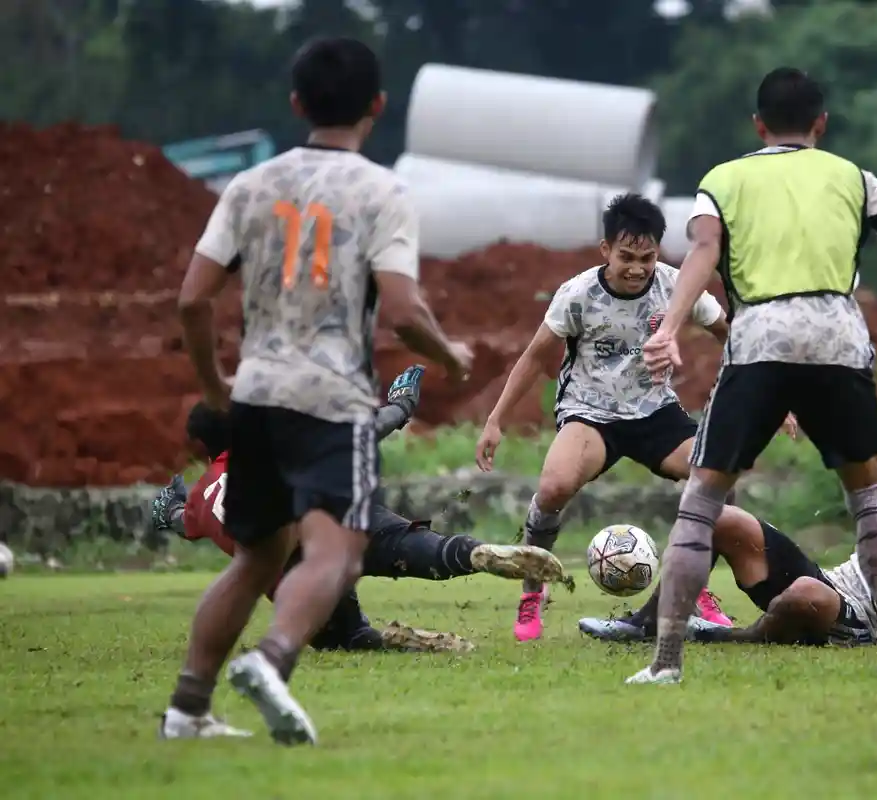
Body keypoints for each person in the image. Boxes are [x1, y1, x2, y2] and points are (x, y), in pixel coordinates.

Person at [630, 68, 877, 685]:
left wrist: (669, 327)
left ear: (758, 125)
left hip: (762, 334)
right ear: (821, 124)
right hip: (837, 337)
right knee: (871, 502)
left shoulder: (723, 179)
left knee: (702, 503)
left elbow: (705, 251)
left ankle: (665, 664)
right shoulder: (855, 178)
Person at [165, 37, 473, 745]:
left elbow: (191, 299)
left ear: (297, 103)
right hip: (332, 401)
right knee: (338, 552)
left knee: (257, 558)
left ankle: (187, 711)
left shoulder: (249, 186)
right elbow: (401, 310)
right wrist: (448, 354)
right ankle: (272, 661)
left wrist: (217, 388)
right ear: (378, 105)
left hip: (257, 396)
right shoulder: (382, 191)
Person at [475, 193, 793, 642]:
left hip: (654, 413)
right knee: (553, 488)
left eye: (647, 257)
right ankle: (533, 589)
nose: (637, 267)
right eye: (626, 256)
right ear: (605, 250)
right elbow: (532, 359)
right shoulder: (577, 295)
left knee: (717, 477)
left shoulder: (676, 285)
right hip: (590, 413)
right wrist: (495, 420)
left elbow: (730, 333)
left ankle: (694, 587)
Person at [151, 367, 572, 658]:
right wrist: (401, 407)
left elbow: (179, 522)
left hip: (299, 585)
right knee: (414, 546)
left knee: (348, 638)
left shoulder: (200, 496)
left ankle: (392, 639)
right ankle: (475, 553)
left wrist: (166, 506)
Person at [582, 418, 877, 650]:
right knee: (722, 518)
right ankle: (645, 625)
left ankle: (728, 637)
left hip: (866, 623)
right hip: (832, 587)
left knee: (806, 593)